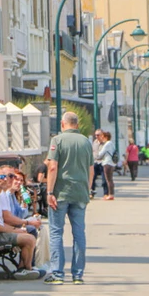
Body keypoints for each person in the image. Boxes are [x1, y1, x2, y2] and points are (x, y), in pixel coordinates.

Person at [44, 110, 93, 285]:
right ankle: (78, 274)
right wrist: (87, 189)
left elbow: (52, 167)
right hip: (80, 192)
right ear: (77, 124)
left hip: (61, 193)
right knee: (79, 232)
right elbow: (91, 169)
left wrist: (49, 192)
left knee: (56, 232)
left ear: (62, 124)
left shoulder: (57, 141)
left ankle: (57, 274)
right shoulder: (86, 142)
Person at [0, 168, 41, 279]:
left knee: (28, 235)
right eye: (1, 177)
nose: (5, 179)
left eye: (5, 176)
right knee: (29, 239)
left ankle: (25, 269)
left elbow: (2, 220)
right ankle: (27, 269)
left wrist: (17, 230)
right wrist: (16, 230)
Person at [97, 131, 116, 200]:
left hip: (107, 163)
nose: (101, 138)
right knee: (110, 179)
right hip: (111, 163)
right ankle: (111, 194)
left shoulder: (107, 144)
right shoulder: (112, 144)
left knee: (108, 180)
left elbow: (101, 153)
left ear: (106, 137)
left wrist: (97, 156)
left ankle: (110, 194)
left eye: (102, 136)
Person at [90, 130, 108, 199]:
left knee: (104, 179)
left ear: (102, 135)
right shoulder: (94, 142)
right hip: (95, 162)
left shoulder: (105, 143)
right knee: (92, 178)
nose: (96, 136)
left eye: (98, 135)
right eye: (95, 135)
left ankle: (106, 193)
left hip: (103, 162)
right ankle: (92, 192)